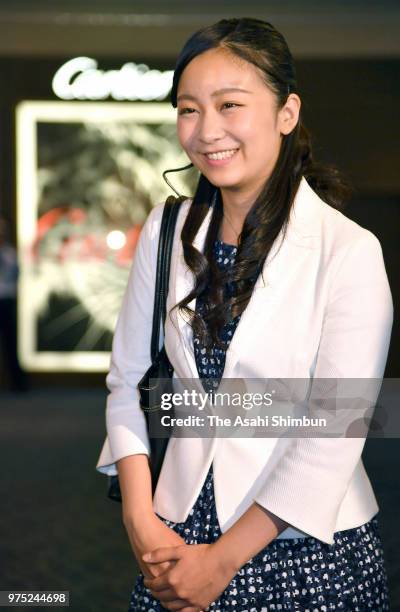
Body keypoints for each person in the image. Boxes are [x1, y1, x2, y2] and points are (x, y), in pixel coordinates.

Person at [96, 18, 393, 611]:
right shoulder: (166, 231)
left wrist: (222, 562)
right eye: (188, 109)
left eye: (230, 105)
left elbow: (336, 425)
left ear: (287, 113)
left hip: (301, 547)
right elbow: (127, 381)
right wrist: (140, 521)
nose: (207, 131)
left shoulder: (348, 251)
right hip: (173, 537)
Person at [0, 217, 28, 391]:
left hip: (6, 301)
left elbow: (14, 275)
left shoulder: (10, 253)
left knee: (10, 343)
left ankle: (18, 382)